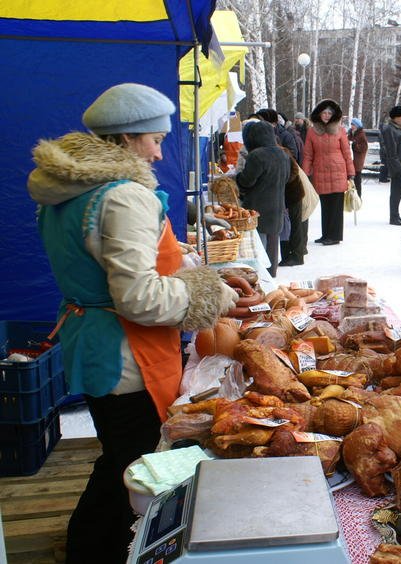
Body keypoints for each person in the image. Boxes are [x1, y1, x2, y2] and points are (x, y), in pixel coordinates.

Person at [26, 83, 237, 564]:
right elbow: (139, 297)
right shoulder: (123, 197)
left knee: (121, 454)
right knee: (136, 463)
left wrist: (176, 258)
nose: (160, 153)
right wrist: (211, 292)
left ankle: (90, 544)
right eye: (155, 140)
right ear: (125, 140)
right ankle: (96, 549)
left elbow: (99, 264)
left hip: (92, 342)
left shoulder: (72, 190)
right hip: (127, 355)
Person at [237, 120, 290, 277]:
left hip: (257, 208)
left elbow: (247, 181)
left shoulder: (257, 156)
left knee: (257, 249)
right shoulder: (283, 154)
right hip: (277, 206)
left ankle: (260, 280)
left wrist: (237, 177)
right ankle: (271, 277)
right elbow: (286, 178)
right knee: (272, 246)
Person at [302, 98, 355, 246]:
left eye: (329, 113)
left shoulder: (340, 130)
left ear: (333, 115)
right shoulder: (312, 132)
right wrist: (305, 174)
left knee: (336, 206)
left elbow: (346, 153)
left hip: (338, 171)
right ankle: (326, 234)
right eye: (324, 112)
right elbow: (308, 155)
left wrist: (351, 173)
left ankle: (335, 235)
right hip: (320, 172)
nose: (326, 115)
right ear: (318, 114)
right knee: (325, 204)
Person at [381, 105, 401, 225]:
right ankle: (394, 216)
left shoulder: (400, 129)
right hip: (398, 167)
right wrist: (398, 168)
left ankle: (396, 215)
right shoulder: (390, 130)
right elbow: (391, 152)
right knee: (396, 192)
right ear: (395, 118)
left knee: (399, 192)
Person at [349, 118, 368, 197]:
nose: (352, 126)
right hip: (350, 160)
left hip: (358, 161)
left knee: (357, 180)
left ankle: (358, 197)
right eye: (351, 124)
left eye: (353, 124)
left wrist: (354, 145)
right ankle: (351, 197)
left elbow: (364, 147)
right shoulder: (351, 133)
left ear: (357, 126)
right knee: (350, 180)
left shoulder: (361, 134)